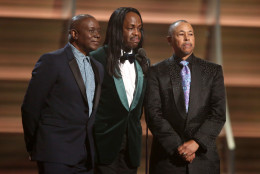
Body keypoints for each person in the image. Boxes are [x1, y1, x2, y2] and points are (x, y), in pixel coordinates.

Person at [21, 14, 104, 174]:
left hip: (85, 155)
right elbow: (30, 107)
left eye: (99, 31)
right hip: (55, 153)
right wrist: (35, 144)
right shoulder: (52, 61)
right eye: (91, 30)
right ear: (74, 34)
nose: (97, 35)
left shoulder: (98, 67)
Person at [144, 20, 226, 174]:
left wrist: (196, 143)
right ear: (170, 40)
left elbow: (218, 114)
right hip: (168, 159)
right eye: (181, 34)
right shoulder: (156, 71)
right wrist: (179, 148)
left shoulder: (213, 71)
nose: (187, 38)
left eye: (191, 34)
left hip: (203, 157)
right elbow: (153, 114)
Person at [90, 7, 149, 174]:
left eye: (139, 28)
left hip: (131, 148)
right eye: (130, 28)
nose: (136, 33)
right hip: (104, 144)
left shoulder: (142, 61)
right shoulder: (97, 59)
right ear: (117, 29)